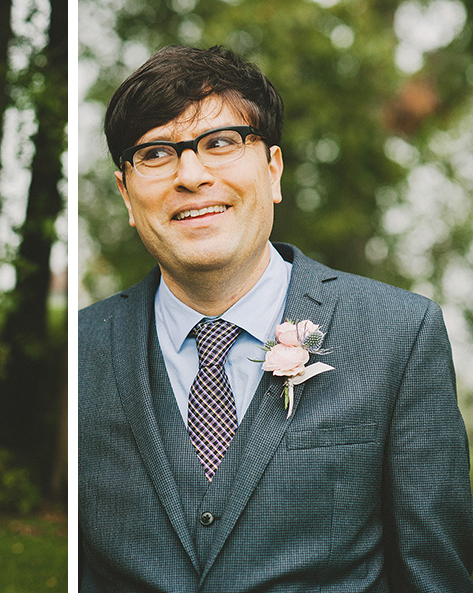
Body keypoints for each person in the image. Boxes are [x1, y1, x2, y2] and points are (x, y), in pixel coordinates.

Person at [78, 44, 473, 592]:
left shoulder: (400, 335)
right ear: (125, 193)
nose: (191, 174)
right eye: (155, 154)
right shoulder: (83, 350)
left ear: (274, 170)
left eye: (220, 143)